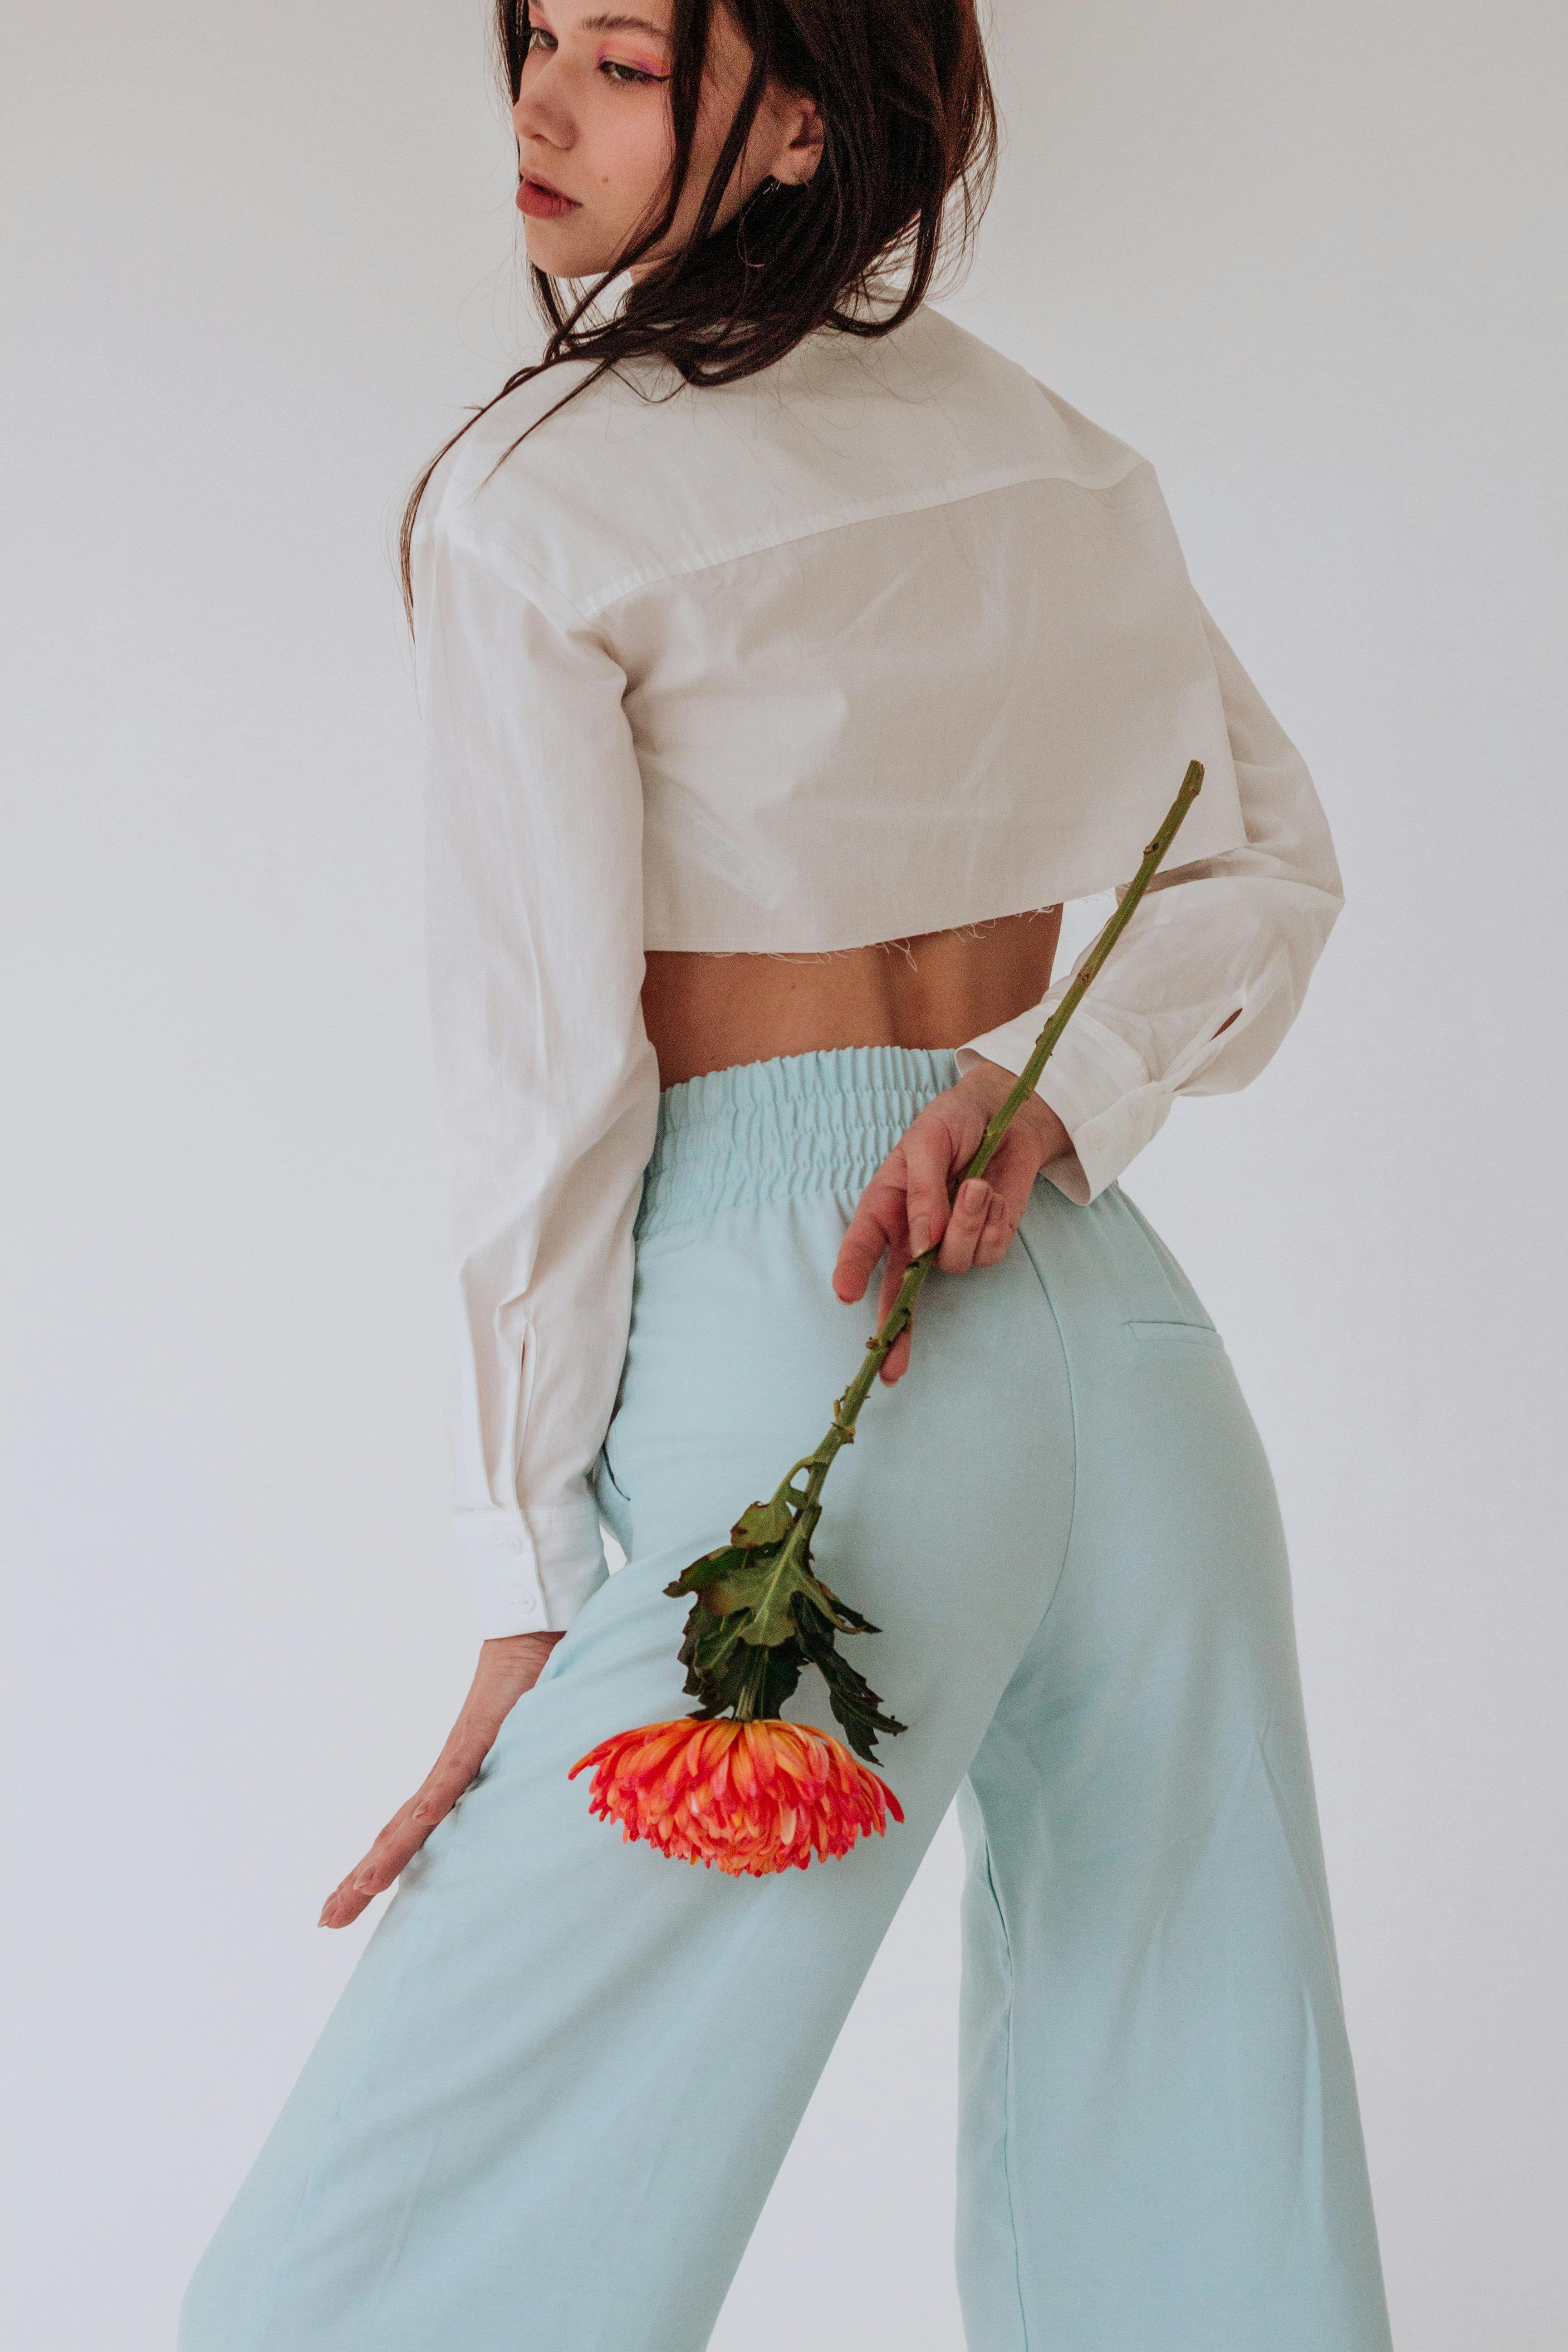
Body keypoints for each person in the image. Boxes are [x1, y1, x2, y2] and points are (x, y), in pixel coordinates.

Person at [181, 1, 1393, 2345]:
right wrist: (1056, 1083)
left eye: (625, 60)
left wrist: (527, 1575)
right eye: (538, 37)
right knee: (1193, 2160)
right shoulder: (1059, 461)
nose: (539, 103)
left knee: (435, 2232)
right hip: (1118, 1338)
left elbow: (545, 1092)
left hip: (810, 1348)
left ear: (807, 112)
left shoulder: (534, 495)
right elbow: (1269, 868)